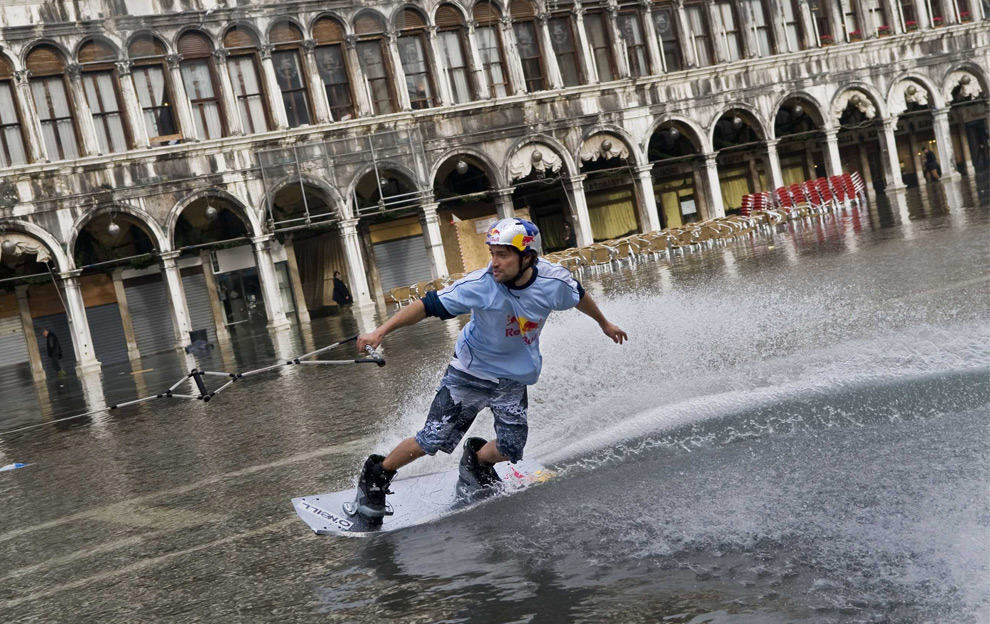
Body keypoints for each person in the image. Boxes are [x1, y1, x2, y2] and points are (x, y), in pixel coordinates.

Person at [349, 218, 628, 520]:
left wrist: (604, 323)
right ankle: (377, 474)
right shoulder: (480, 285)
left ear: (527, 256)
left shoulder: (553, 282)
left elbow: (578, 295)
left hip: (512, 379)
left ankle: (477, 462)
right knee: (432, 440)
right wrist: (380, 332)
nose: (494, 263)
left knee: (510, 448)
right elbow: (425, 305)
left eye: (503, 255)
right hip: (469, 372)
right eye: (492, 253)